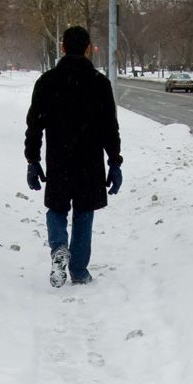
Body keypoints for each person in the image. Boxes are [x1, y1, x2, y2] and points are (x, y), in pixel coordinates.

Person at [24, 26, 123, 287]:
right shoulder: (99, 84)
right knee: (84, 213)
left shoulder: (47, 82)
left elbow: (34, 125)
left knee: (56, 209)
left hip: (58, 159)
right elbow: (109, 128)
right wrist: (114, 162)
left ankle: (58, 247)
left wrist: (32, 160)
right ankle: (79, 270)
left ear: (63, 47)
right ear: (88, 48)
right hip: (89, 162)